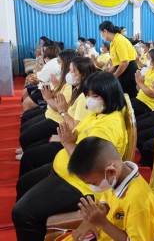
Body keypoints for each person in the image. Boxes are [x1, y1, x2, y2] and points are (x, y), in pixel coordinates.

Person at [12, 71, 128, 241]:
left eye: (95, 95)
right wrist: (71, 133)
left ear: (109, 94)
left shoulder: (108, 126)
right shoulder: (99, 113)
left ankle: (30, 224)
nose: (89, 100)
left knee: (22, 213)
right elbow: (81, 130)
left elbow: (87, 165)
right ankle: (35, 227)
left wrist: (67, 143)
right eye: (88, 95)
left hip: (81, 183)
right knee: (24, 184)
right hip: (66, 170)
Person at [64, 137, 154, 241]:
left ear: (112, 172)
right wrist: (97, 213)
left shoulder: (139, 201)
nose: (92, 188)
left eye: (93, 183)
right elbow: (106, 200)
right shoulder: (114, 180)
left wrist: (102, 223)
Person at [18, 56, 96, 172]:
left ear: (83, 75)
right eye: (68, 70)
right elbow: (63, 107)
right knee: (27, 137)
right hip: (66, 131)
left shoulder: (83, 97)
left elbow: (74, 127)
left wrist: (60, 109)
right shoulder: (76, 89)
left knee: (28, 151)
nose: (68, 73)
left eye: (72, 71)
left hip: (68, 135)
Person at [99, 21, 138, 98]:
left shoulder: (119, 40)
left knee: (128, 96)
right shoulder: (113, 42)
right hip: (122, 70)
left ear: (105, 31)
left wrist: (114, 76)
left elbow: (125, 62)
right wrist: (110, 71)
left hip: (128, 71)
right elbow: (117, 62)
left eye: (101, 33)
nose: (101, 35)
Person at [22, 41, 61, 112]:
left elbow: (40, 77)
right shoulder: (51, 62)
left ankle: (27, 115)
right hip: (44, 86)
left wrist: (37, 71)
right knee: (26, 90)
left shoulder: (52, 63)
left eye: (42, 50)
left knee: (26, 103)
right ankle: (27, 114)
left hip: (48, 90)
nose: (40, 52)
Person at [131, 48, 154, 117]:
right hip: (139, 99)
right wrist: (138, 82)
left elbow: (152, 94)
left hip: (147, 105)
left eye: (149, 59)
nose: (147, 61)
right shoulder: (149, 70)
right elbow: (139, 89)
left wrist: (140, 83)